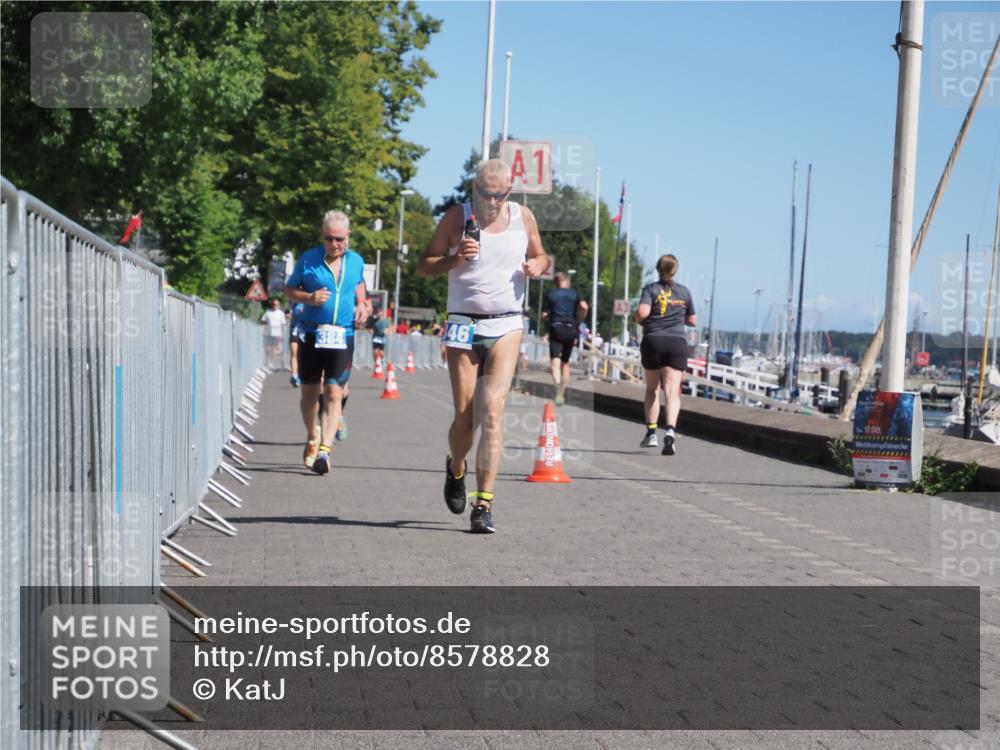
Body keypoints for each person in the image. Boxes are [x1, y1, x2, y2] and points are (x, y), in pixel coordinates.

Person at [417, 158, 550, 533]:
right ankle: (455, 466)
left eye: (499, 195)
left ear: (510, 192)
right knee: (465, 419)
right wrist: (455, 258)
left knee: (491, 412)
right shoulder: (456, 218)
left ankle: (484, 504)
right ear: (473, 189)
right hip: (462, 324)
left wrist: (539, 266)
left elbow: (541, 255)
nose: (491, 202)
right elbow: (423, 265)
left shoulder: (524, 218)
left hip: (507, 324)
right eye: (484, 194)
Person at [285, 210, 369, 475]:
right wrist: (308, 298)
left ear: (348, 237)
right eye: (329, 239)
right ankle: (313, 436)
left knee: (333, 391)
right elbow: (289, 290)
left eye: (340, 239)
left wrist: (363, 306)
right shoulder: (309, 259)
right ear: (322, 237)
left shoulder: (355, 261)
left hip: (342, 335)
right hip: (312, 334)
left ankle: (325, 450)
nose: (334, 244)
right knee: (310, 395)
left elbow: (360, 288)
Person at [633, 254, 696, 455]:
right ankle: (670, 432)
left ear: (658, 268)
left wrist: (637, 318)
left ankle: (651, 433)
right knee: (671, 390)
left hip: (654, 340)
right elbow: (693, 320)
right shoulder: (684, 292)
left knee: (652, 389)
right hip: (676, 342)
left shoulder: (650, 289)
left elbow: (642, 313)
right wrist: (677, 317)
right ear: (675, 270)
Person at [542, 272, 588, 406]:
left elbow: (544, 315)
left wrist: (548, 317)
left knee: (555, 363)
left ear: (556, 283)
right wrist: (579, 320)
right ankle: (561, 392)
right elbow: (584, 307)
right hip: (571, 328)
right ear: (567, 282)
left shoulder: (551, 294)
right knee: (565, 363)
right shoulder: (575, 294)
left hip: (556, 328)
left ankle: (556, 384)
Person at [261, 298, 286, 370]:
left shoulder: (281, 313)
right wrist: (263, 329)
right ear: (272, 305)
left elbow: (283, 324)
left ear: (279, 305)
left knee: (274, 348)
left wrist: (282, 334)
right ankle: (267, 360)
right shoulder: (268, 312)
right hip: (268, 333)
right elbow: (263, 321)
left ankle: (271, 362)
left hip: (277, 333)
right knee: (267, 348)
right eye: (274, 304)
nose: (275, 305)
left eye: (277, 304)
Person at [288, 301, 305, 386]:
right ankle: (294, 376)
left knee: (303, 355)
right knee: (294, 353)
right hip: (295, 331)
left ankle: (303, 374)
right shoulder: (294, 303)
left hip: (307, 332)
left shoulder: (310, 302)